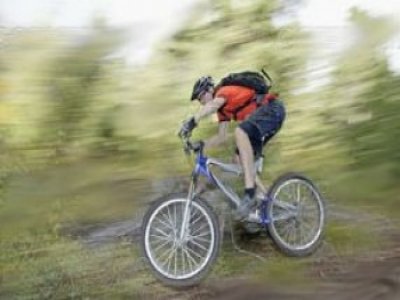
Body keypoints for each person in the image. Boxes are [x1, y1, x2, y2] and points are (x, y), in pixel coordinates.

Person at [179, 75, 286, 219]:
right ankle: (267, 200)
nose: (202, 101)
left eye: (202, 95)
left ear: (211, 89)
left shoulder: (224, 91)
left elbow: (212, 106)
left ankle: (250, 193)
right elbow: (221, 137)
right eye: (199, 99)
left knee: (240, 132)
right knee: (238, 160)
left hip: (272, 110)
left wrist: (192, 121)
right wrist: (202, 144)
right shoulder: (222, 111)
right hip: (260, 121)